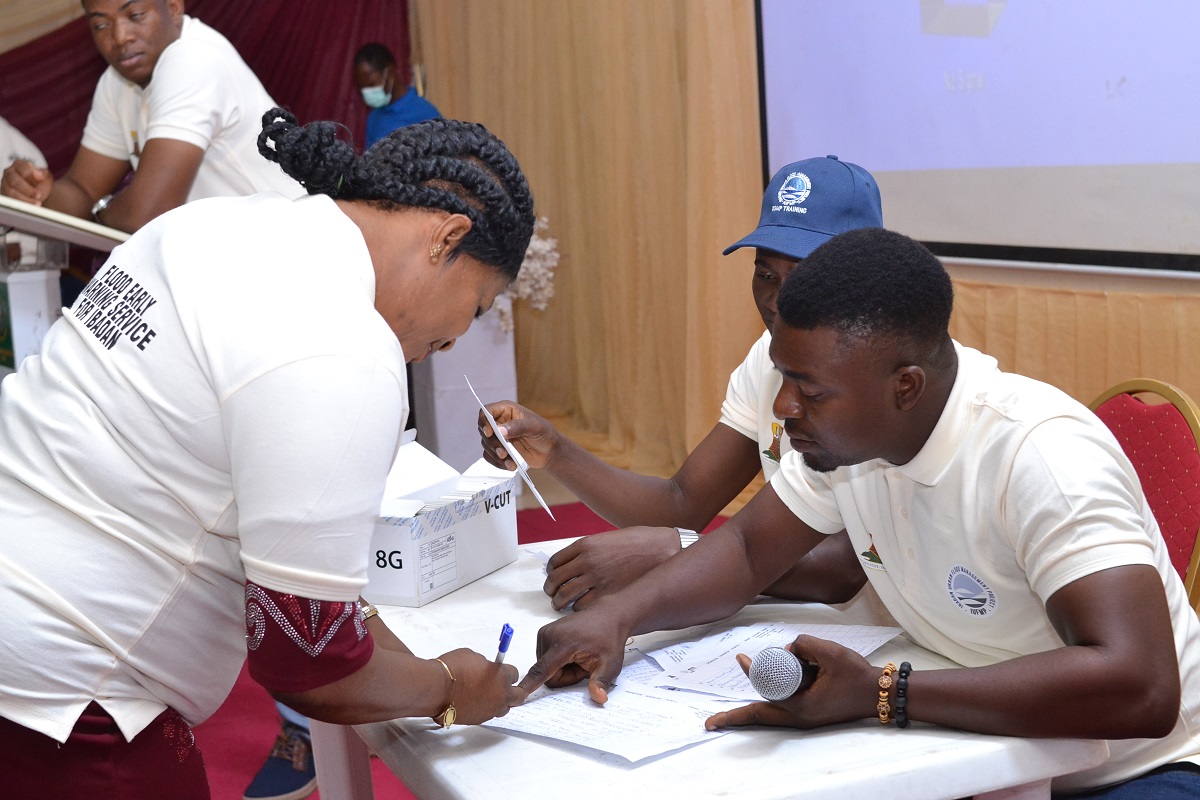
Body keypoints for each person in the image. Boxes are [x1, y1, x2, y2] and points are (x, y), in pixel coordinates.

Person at [517, 228, 1200, 797]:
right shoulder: (846, 442)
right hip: (980, 745)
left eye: (808, 390)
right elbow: (750, 553)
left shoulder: (1040, 456)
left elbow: (1141, 687)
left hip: (1140, 766)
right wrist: (617, 616)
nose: (784, 408)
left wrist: (884, 695)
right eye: (783, 378)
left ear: (906, 387)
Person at [0, 107, 535, 799]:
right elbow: (311, 667)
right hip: (70, 685)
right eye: (480, 302)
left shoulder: (209, 224)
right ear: (448, 239)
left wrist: (381, 638)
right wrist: (452, 687)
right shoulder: (346, 347)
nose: (461, 336)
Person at [479, 156, 879, 611]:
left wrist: (674, 557)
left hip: (880, 641)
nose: (777, 299)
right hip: (790, 618)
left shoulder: (884, 381)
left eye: (803, 276)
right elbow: (682, 503)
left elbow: (847, 569)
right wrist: (555, 451)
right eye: (765, 273)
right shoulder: (764, 361)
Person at [0, 0, 302, 234]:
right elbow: (82, 189)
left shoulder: (193, 58)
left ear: (173, 7)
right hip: (236, 265)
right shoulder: (117, 83)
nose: (120, 38)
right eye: (101, 25)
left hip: (295, 253)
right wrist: (38, 195)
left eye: (135, 16)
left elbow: (147, 214)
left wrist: (100, 210)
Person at [354, 42, 441, 149]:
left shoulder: (424, 113)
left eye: (371, 85)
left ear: (389, 73)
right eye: (362, 87)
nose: (366, 92)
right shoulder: (374, 117)